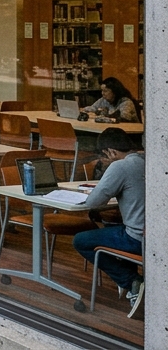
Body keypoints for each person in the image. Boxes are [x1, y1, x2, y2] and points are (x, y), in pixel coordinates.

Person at [72, 128, 145, 318]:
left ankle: (133, 281)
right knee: (111, 227)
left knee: (81, 240)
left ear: (111, 151)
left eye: (104, 156)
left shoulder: (120, 167)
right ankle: (135, 288)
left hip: (137, 238)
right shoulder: (147, 160)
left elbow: (93, 202)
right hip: (153, 234)